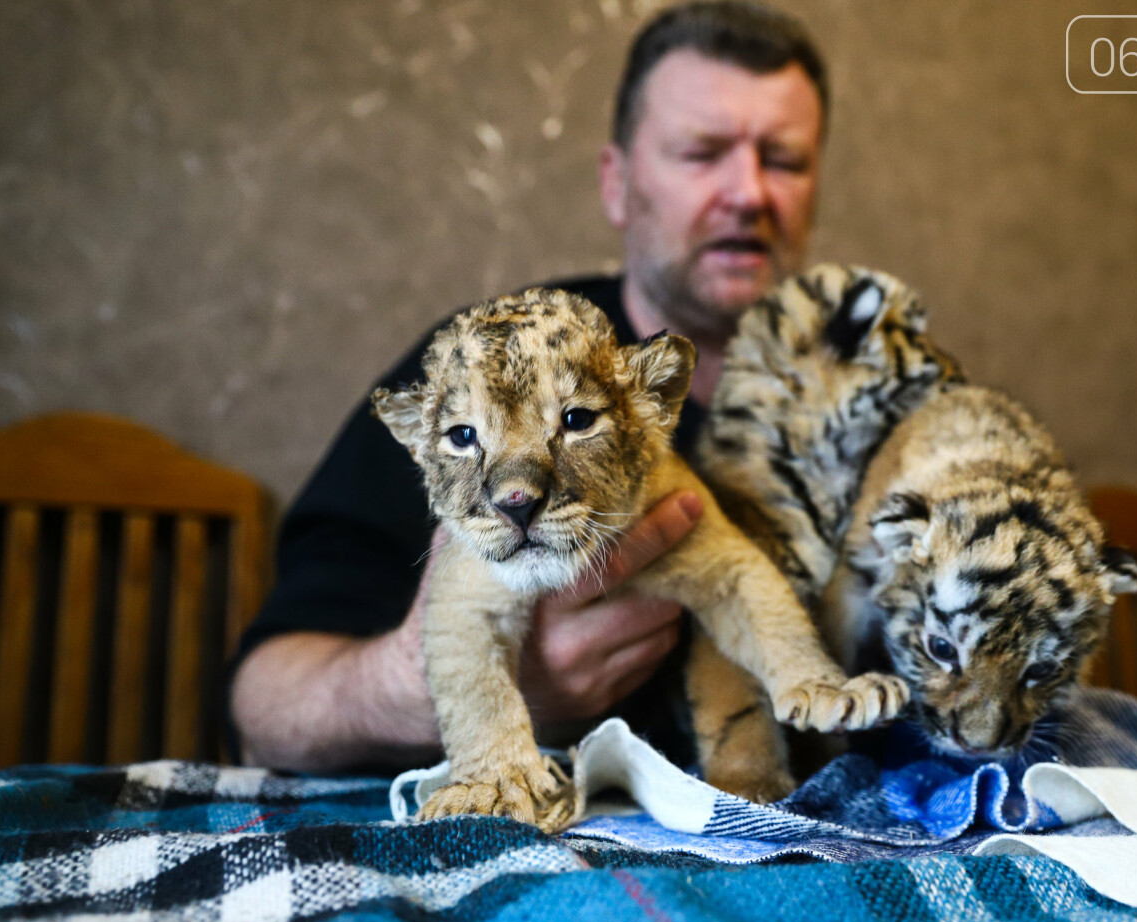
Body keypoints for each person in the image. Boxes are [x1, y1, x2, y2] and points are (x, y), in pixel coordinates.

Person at [229, 0, 829, 773]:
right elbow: (262, 708)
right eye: (701, 151)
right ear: (617, 184)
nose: (749, 192)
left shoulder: (880, 404)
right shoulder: (474, 381)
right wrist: (440, 683)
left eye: (783, 158)